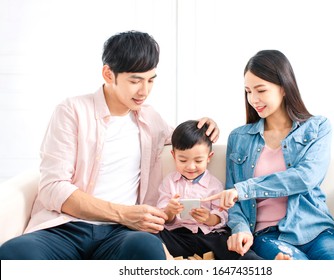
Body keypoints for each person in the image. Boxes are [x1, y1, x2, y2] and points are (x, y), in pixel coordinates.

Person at [0, 30, 219, 260]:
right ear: (108, 74)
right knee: (14, 253)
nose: (144, 91)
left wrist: (206, 126)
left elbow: (184, 140)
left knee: (147, 248)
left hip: (122, 234)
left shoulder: (151, 119)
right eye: (135, 80)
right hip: (65, 228)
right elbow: (53, 187)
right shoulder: (72, 111)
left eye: (151, 80)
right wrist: (123, 213)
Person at [204, 50, 334, 260]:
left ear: (284, 88)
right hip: (267, 235)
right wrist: (241, 228)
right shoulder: (239, 138)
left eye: (261, 90)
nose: (253, 99)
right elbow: (233, 198)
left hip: (316, 230)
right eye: (248, 91)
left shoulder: (317, 127)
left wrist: (245, 189)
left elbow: (306, 177)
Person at [156, 120, 261, 260]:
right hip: (177, 235)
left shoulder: (214, 184)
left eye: (198, 161)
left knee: (233, 245)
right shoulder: (169, 182)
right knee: (151, 234)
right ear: (174, 156)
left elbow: (222, 216)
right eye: (182, 160)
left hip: (209, 236)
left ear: (209, 158)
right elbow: (163, 217)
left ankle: (261, 265)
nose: (191, 167)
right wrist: (170, 210)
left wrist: (209, 218)